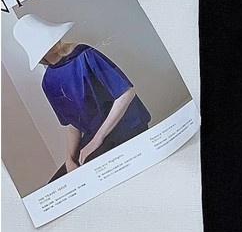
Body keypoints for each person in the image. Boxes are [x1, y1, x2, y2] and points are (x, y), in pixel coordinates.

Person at [12, 14, 151, 180]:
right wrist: (69, 159)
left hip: (125, 127)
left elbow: (126, 93)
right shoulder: (48, 82)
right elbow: (73, 124)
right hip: (95, 138)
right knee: (58, 182)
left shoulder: (85, 54)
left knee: (87, 174)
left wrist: (96, 141)